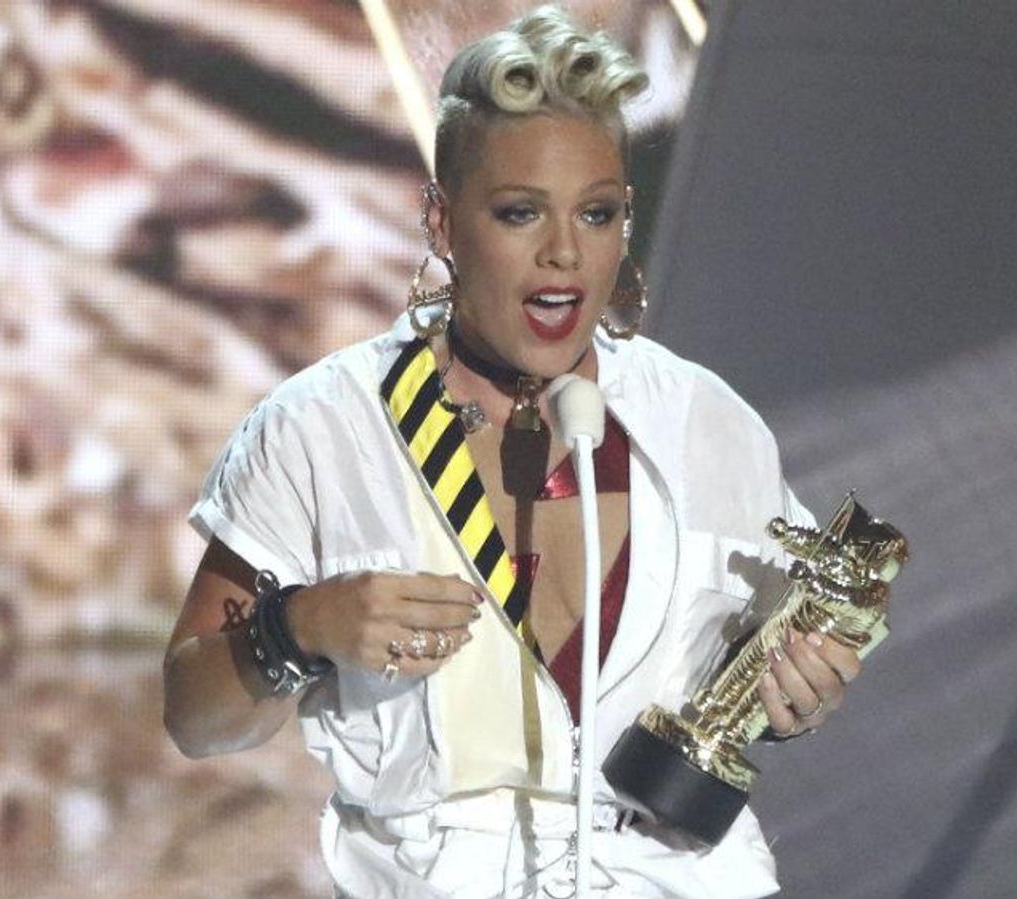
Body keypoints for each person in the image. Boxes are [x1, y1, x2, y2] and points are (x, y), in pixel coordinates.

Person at [163, 6, 861, 897]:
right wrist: (297, 625)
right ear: (443, 222)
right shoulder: (324, 427)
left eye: (597, 213)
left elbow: (767, 679)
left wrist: (795, 698)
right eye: (520, 213)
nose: (564, 253)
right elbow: (195, 715)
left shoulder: (707, 423)